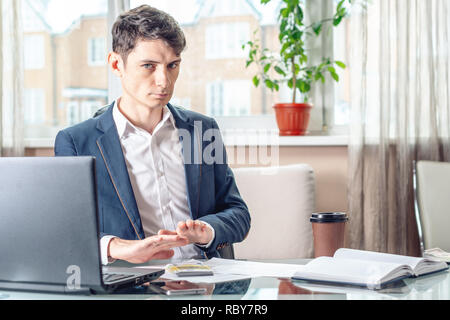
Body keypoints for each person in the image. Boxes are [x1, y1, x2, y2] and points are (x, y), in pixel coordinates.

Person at [54, 5, 250, 265]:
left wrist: (206, 230)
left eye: (172, 65)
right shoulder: (77, 143)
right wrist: (116, 247)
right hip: (129, 285)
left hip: (203, 282)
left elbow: (238, 213)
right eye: (149, 65)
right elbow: (66, 230)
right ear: (116, 64)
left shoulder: (202, 130)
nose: (164, 81)